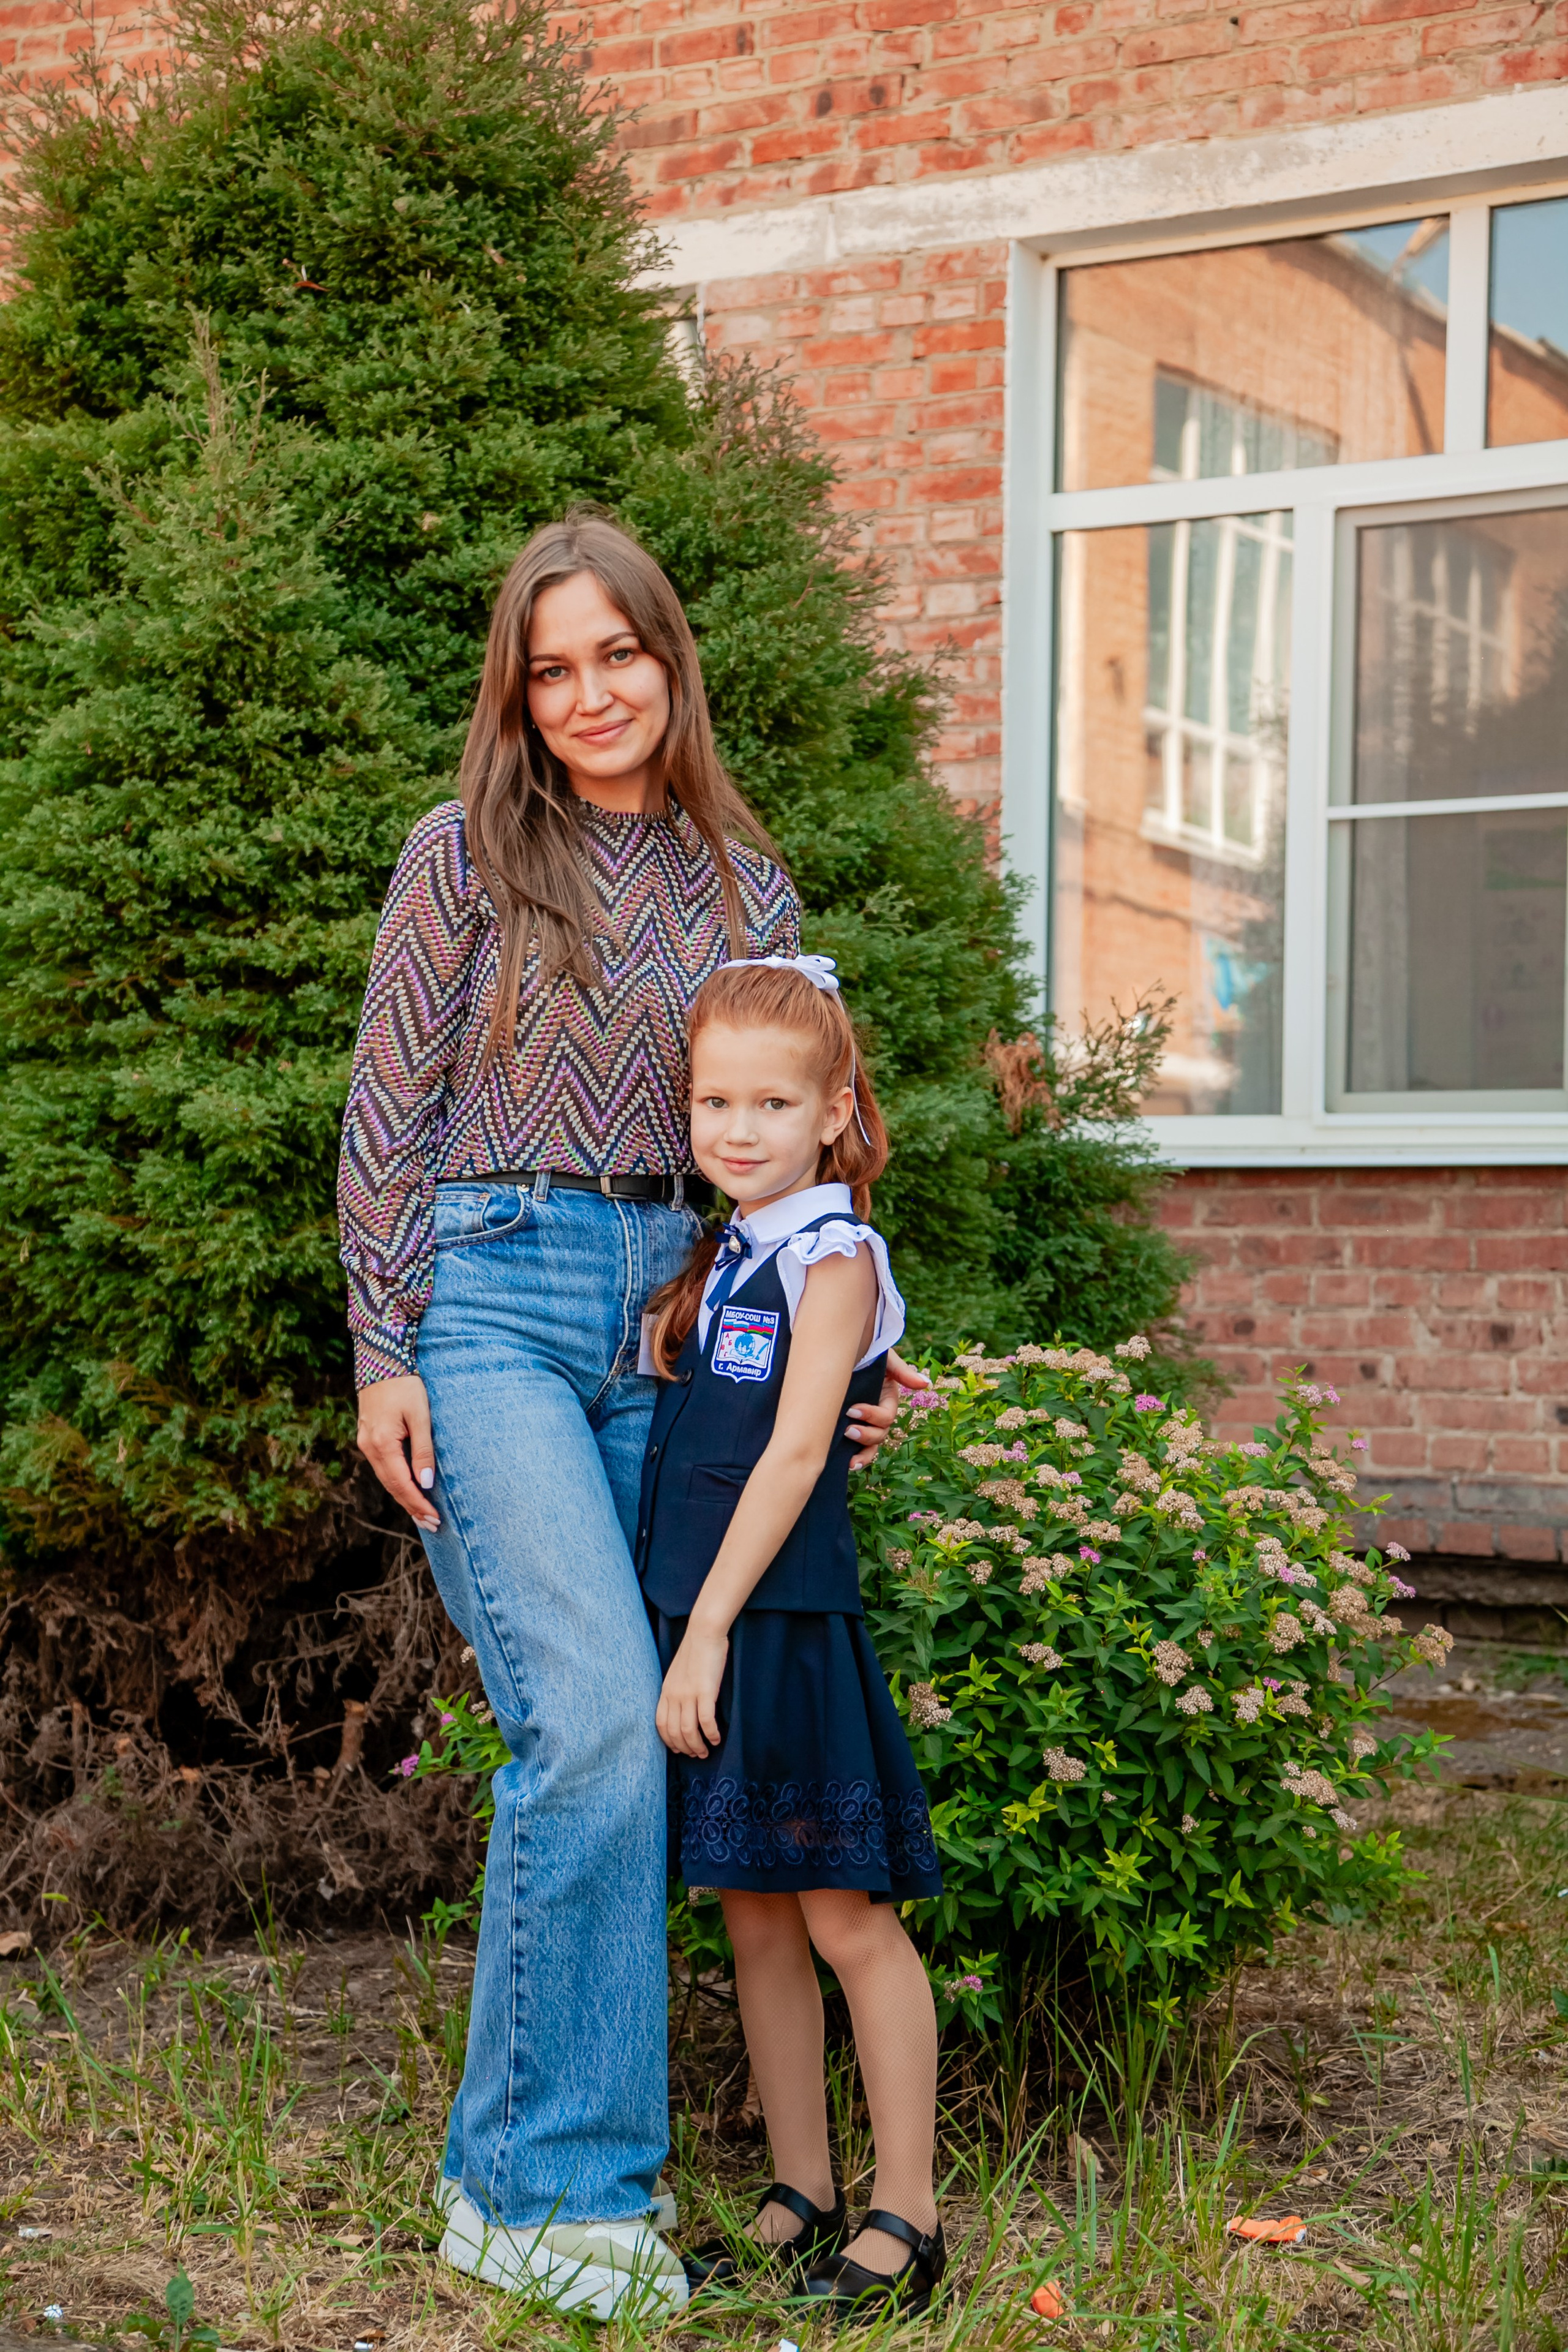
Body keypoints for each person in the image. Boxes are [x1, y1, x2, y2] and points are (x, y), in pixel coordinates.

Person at [337, 512, 921, 2319]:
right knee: (590, 1712)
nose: (593, 694)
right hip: (496, 1301)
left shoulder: (751, 889)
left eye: (620, 654)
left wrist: (854, 1354)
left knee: (637, 1745)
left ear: (671, 658)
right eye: (553, 666)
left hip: (679, 1324)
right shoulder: (463, 855)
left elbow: (803, 1142)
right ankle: (544, 2192)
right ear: (520, 692)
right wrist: (384, 1348)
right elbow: (386, 1118)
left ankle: (545, 2172)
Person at [638, 956, 946, 2323]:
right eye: (714, 1099)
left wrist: (702, 1636)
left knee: (841, 1918)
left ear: (833, 1112)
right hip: (699, 1619)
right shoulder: (725, 1254)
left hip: (774, 1626)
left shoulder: (832, 1253)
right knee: (750, 1914)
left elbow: (796, 1451)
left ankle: (908, 2213)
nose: (739, 1128)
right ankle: (797, 2191)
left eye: (772, 1101)